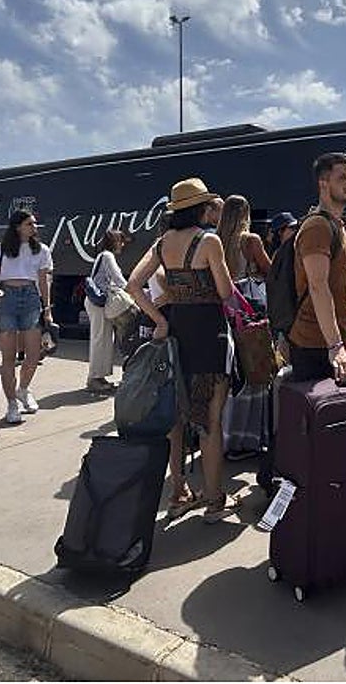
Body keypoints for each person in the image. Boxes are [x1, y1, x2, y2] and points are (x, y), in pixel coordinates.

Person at [126, 178, 239, 523]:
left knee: (176, 419)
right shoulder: (209, 241)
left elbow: (133, 285)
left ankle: (178, 494)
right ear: (200, 208)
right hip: (208, 334)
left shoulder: (162, 244)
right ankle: (215, 500)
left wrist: (159, 319)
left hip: (175, 333)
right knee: (210, 421)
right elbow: (224, 292)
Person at [289, 153, 346, 383]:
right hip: (314, 343)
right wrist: (335, 347)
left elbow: (331, 280)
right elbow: (318, 285)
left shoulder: (336, 225)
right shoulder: (318, 226)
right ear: (323, 183)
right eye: (341, 177)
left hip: (327, 340)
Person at [0, 210, 53, 425]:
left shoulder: (41, 250)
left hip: (31, 297)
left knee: (33, 355)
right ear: (17, 226)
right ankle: (11, 403)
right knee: (9, 358)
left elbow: (43, 281)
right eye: (29, 224)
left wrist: (47, 308)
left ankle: (23, 390)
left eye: (34, 224)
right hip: (6, 298)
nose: (34, 228)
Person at [85, 230, 130, 394]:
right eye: (121, 241)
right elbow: (118, 278)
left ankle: (100, 377)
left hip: (98, 303)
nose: (123, 245)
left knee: (104, 339)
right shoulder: (107, 256)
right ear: (114, 241)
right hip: (98, 303)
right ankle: (94, 379)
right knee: (100, 339)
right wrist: (133, 291)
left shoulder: (103, 255)